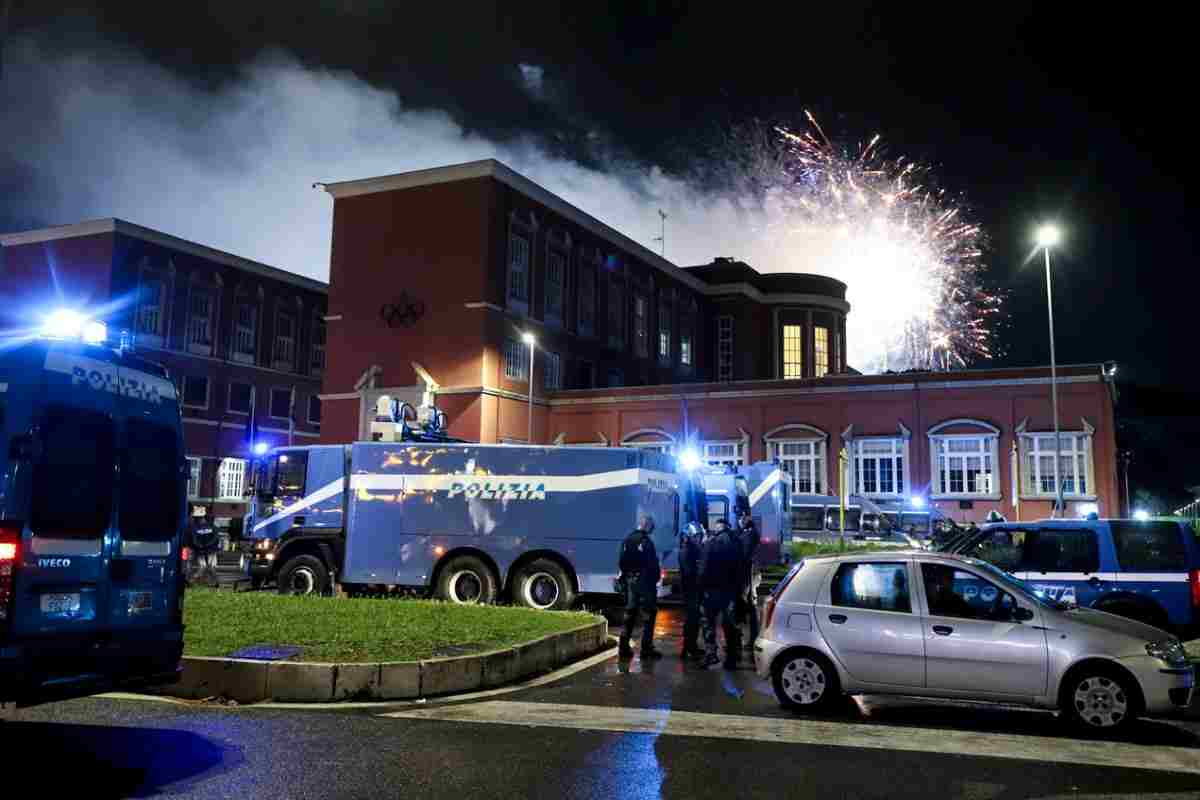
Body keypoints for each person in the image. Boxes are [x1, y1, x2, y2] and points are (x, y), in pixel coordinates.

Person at [698, 518, 742, 669]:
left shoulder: (710, 543)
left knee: (708, 623)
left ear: (717, 529)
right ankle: (731, 658)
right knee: (729, 625)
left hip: (711, 591)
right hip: (729, 591)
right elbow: (740, 568)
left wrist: (701, 588)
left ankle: (711, 655)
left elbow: (703, 569)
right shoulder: (736, 544)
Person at [617, 514, 662, 660]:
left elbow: (621, 562)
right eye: (652, 526)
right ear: (647, 525)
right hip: (645, 583)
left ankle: (623, 647)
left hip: (631, 581)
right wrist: (654, 580)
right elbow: (653, 566)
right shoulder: (647, 542)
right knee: (649, 614)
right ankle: (646, 649)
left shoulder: (627, 539)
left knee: (630, 614)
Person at [677, 521, 705, 660]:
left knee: (693, 620)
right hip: (691, 590)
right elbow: (690, 572)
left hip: (692, 590)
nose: (699, 539)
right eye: (697, 536)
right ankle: (689, 648)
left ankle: (690, 647)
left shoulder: (690, 549)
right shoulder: (688, 551)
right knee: (692, 620)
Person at [734, 511, 760, 649]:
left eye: (742, 517)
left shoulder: (748, 534)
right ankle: (750, 638)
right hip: (751, 574)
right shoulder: (751, 533)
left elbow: (744, 556)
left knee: (745, 605)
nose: (740, 519)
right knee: (750, 606)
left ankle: (742, 640)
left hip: (747, 575)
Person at [188, 506, 220, 587]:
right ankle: (194, 581)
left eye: (197, 518)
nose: (196, 519)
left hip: (206, 551)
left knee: (208, 567)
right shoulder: (211, 526)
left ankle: (213, 582)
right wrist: (203, 545)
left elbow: (216, 538)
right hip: (205, 551)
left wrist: (203, 545)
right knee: (206, 567)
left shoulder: (197, 528)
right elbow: (215, 538)